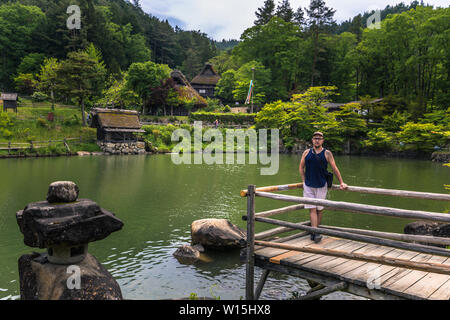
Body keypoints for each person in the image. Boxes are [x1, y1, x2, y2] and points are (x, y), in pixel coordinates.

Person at [299, 132, 348, 243]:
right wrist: (303, 181)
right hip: (309, 185)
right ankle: (315, 232)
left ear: (322, 140)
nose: (317, 140)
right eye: (315, 138)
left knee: (319, 209)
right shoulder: (306, 152)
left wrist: (341, 182)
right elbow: (301, 167)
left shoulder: (327, 153)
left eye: (319, 139)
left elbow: (334, 168)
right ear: (312, 140)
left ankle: (315, 231)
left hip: (321, 185)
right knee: (312, 209)